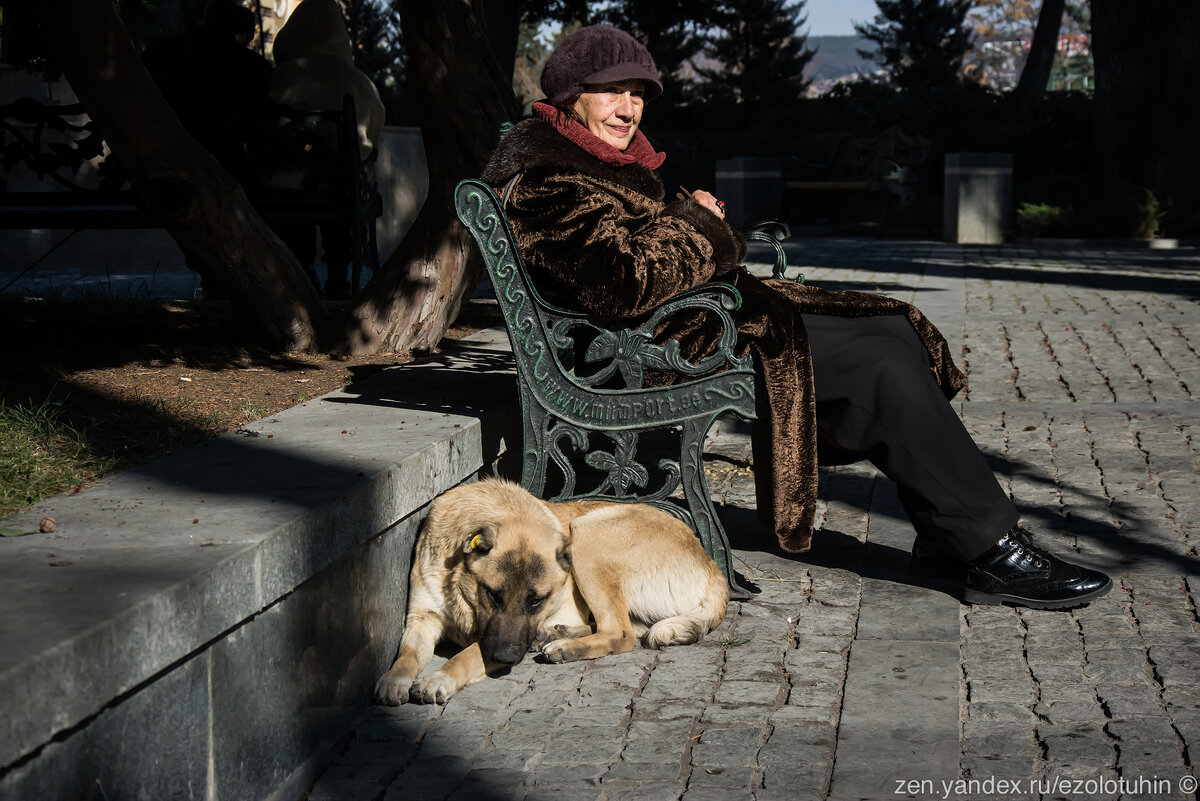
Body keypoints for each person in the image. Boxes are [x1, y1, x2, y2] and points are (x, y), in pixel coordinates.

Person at [479, 25, 1112, 610]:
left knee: (892, 329)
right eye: (611, 92)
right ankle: (988, 550)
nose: (629, 108)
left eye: (638, 93)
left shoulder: (597, 160)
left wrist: (692, 221)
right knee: (880, 362)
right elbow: (625, 284)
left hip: (694, 325)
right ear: (570, 99)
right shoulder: (546, 176)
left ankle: (947, 532)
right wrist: (699, 222)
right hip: (654, 350)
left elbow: (642, 257)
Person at [266, 0, 385, 299]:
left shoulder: (280, 78)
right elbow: (371, 140)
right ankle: (338, 276)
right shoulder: (360, 83)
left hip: (285, 189)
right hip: (342, 192)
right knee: (346, 187)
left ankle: (302, 270)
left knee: (297, 200)